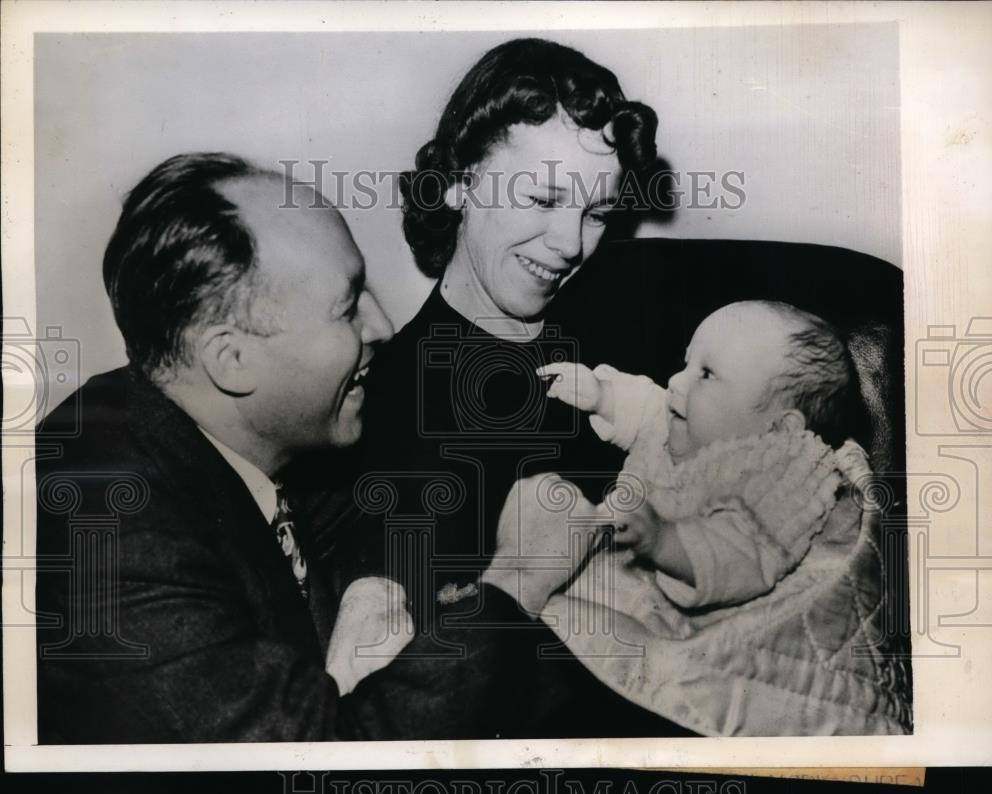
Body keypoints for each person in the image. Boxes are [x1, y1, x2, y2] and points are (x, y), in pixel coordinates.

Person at [34, 152, 604, 743]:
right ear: (233, 360)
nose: (380, 326)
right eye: (347, 306)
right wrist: (516, 583)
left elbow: (379, 511)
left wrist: (372, 592)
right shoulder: (108, 531)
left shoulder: (240, 431)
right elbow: (325, 767)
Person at [331, 37, 685, 736]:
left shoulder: (631, 343)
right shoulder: (395, 398)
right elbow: (449, 672)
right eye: (544, 197)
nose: (569, 244)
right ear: (459, 182)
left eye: (595, 213)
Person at [537, 300, 913, 735]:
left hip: (746, 642)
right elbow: (649, 409)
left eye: (706, 374)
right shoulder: (701, 421)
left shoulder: (783, 487)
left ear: (778, 431)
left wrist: (662, 541)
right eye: (686, 363)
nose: (677, 380)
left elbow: (739, 556)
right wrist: (602, 395)